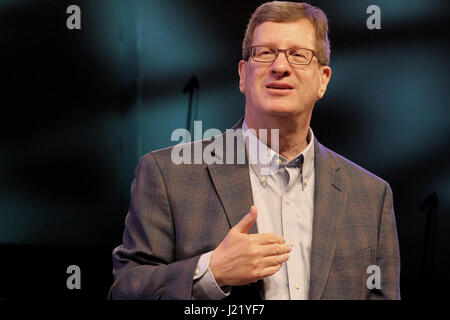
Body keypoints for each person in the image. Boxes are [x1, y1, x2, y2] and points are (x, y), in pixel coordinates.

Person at [109, 1, 400, 300]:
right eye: (265, 53)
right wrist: (211, 271)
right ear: (242, 75)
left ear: (323, 79)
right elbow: (126, 291)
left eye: (298, 55)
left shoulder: (371, 196)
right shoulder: (167, 175)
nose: (280, 67)